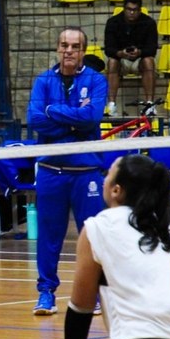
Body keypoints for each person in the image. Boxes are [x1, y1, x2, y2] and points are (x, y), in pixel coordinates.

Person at [41, 153, 170, 339]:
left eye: (107, 174)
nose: (102, 180)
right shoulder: (169, 230)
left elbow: (81, 308)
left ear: (116, 190)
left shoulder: (100, 226)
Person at [27, 26, 108, 317]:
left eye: (74, 46)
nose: (69, 50)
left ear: (83, 50)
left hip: (86, 171)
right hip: (51, 169)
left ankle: (96, 294)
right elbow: (35, 120)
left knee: (94, 236)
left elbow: (92, 117)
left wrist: (53, 111)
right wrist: (74, 120)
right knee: (49, 235)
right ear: (58, 48)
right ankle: (46, 293)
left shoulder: (96, 80)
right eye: (64, 45)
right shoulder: (43, 80)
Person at [102, 0, 158, 115]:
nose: (132, 12)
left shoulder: (149, 23)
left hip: (140, 60)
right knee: (111, 61)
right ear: (124, 8)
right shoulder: (113, 22)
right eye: (129, 9)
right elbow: (108, 49)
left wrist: (140, 52)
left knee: (149, 61)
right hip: (121, 60)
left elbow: (152, 49)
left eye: (135, 10)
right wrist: (120, 53)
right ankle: (111, 105)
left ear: (140, 10)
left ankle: (149, 104)